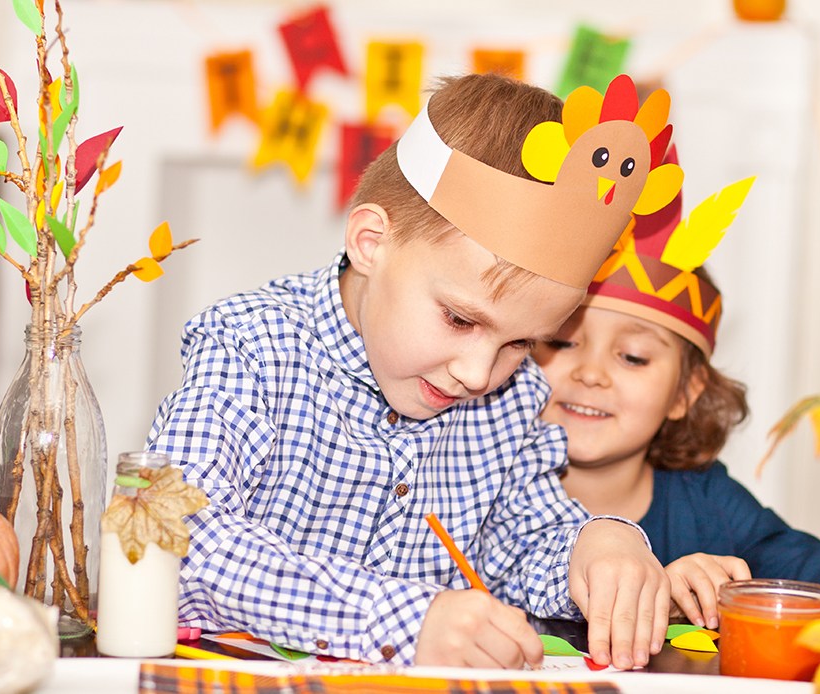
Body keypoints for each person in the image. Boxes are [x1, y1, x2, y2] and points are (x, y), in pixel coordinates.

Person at [144, 72, 687, 669]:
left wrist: (598, 544)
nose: (480, 374)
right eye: (459, 319)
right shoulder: (252, 345)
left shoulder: (510, 398)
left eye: (523, 343)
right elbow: (168, 535)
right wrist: (402, 620)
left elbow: (526, 539)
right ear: (371, 242)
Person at [534, 174, 820, 630]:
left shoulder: (706, 500)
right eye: (562, 343)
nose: (590, 373)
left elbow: (806, 567)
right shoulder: (480, 483)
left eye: (633, 357)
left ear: (685, 393)